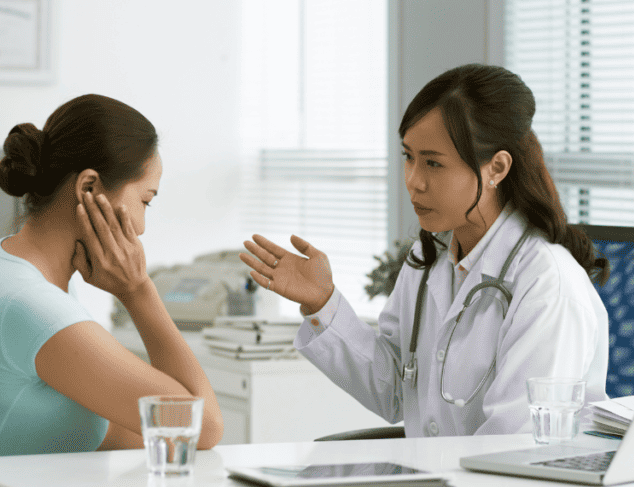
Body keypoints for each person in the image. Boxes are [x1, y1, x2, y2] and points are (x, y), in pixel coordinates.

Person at [0, 94, 224, 487]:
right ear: (88, 188)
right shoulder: (30, 305)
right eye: (145, 201)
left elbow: (119, 431)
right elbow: (201, 427)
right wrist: (138, 291)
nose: (142, 228)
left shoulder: (9, 266)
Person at [240, 63, 609, 437]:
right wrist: (322, 302)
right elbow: (394, 393)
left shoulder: (547, 284)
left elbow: (515, 443)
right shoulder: (432, 259)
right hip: (438, 481)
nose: (414, 181)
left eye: (433, 163)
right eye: (408, 157)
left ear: (496, 168)